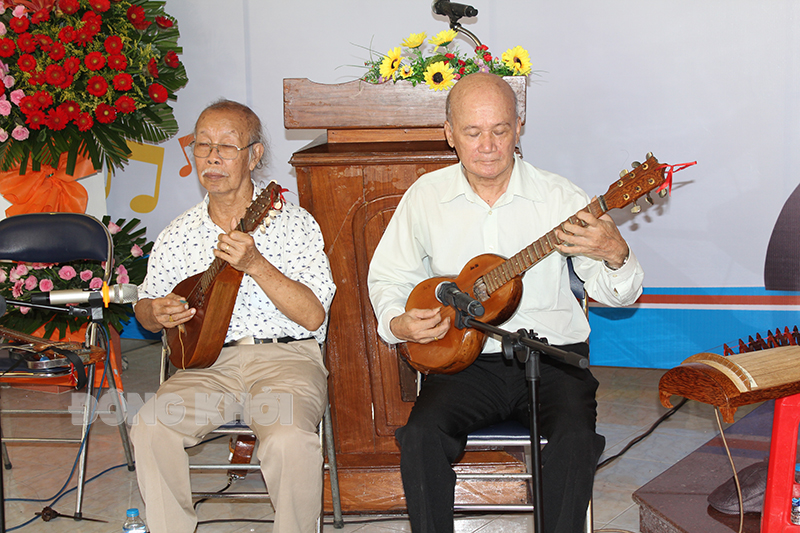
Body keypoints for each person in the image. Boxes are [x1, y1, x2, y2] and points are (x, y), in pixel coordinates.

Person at [367, 73, 644, 533]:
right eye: (473, 133)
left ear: (519, 127)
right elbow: (389, 276)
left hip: (553, 355)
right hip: (466, 361)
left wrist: (615, 253)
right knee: (420, 436)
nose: (488, 145)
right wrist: (399, 323)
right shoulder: (426, 196)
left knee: (576, 438)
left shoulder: (561, 198)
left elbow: (620, 296)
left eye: (499, 130)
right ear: (449, 133)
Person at [130, 99, 336, 533]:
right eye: (202, 146)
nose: (213, 157)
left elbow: (315, 316)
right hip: (207, 366)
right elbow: (145, 312)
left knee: (289, 441)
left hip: (287, 361)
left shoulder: (294, 224)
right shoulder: (177, 233)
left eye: (227, 146)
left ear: (255, 155)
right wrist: (156, 311)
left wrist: (257, 265)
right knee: (150, 426)